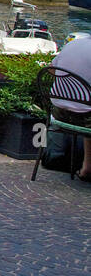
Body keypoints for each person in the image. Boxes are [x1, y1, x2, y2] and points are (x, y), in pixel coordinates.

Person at [47, 35, 91, 181]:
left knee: (85, 106)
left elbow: (52, 70)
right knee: (86, 110)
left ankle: (87, 166)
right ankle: (87, 167)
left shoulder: (73, 44)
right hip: (86, 119)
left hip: (59, 113)